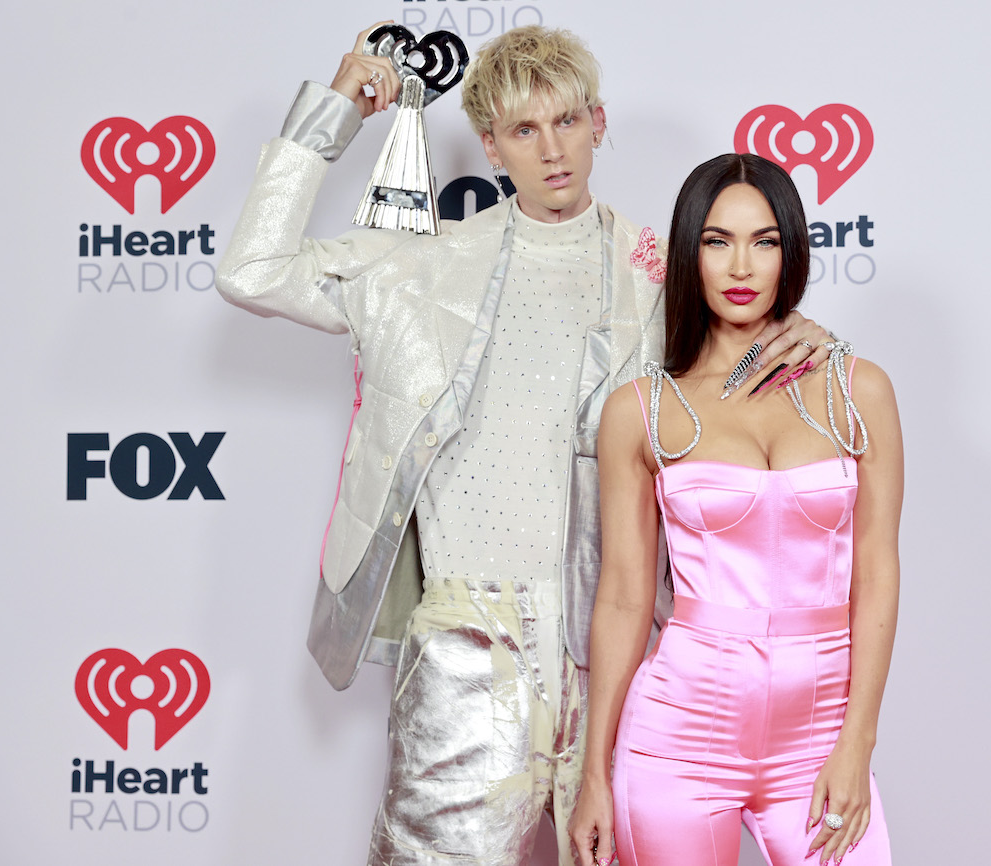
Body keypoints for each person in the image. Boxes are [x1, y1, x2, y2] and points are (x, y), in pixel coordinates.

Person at [216, 24, 837, 866]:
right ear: (490, 145)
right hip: (466, 644)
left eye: (568, 121)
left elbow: (751, 368)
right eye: (524, 129)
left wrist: (804, 336)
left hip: (626, 651)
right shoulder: (417, 267)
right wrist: (333, 114)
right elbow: (252, 270)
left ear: (599, 122)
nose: (552, 150)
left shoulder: (665, 280)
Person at [569, 153, 902, 866]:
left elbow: (876, 576)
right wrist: (594, 774)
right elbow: (624, 598)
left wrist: (858, 742)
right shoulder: (640, 411)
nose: (741, 266)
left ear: (791, 250)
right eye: (717, 241)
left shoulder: (859, 391)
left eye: (764, 241)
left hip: (820, 738)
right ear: (689, 254)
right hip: (676, 739)